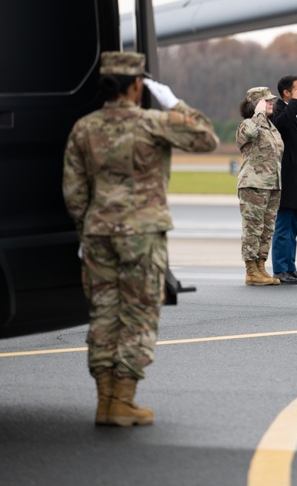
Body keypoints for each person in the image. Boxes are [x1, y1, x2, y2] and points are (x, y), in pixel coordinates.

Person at [62, 52, 218, 427]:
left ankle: (105, 401)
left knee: (103, 314)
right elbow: (206, 138)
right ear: (137, 85)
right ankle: (123, 401)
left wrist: (87, 229)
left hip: (99, 233)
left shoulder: (84, 127)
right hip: (142, 234)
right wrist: (173, 102)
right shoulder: (153, 123)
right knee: (138, 315)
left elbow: (74, 190)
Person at [236, 87, 285, 287]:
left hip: (272, 184)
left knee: (267, 228)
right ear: (256, 104)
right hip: (253, 184)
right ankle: (250, 270)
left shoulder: (271, 127)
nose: (271, 103)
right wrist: (257, 114)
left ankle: (260, 267)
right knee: (252, 228)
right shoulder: (247, 124)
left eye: (271, 101)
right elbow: (249, 134)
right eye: (266, 101)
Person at [270, 75, 297, 284]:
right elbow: (280, 125)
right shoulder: (279, 111)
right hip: (285, 179)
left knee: (294, 227)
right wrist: (294, 104)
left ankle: (291, 267)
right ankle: (280, 269)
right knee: (283, 226)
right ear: (287, 92)